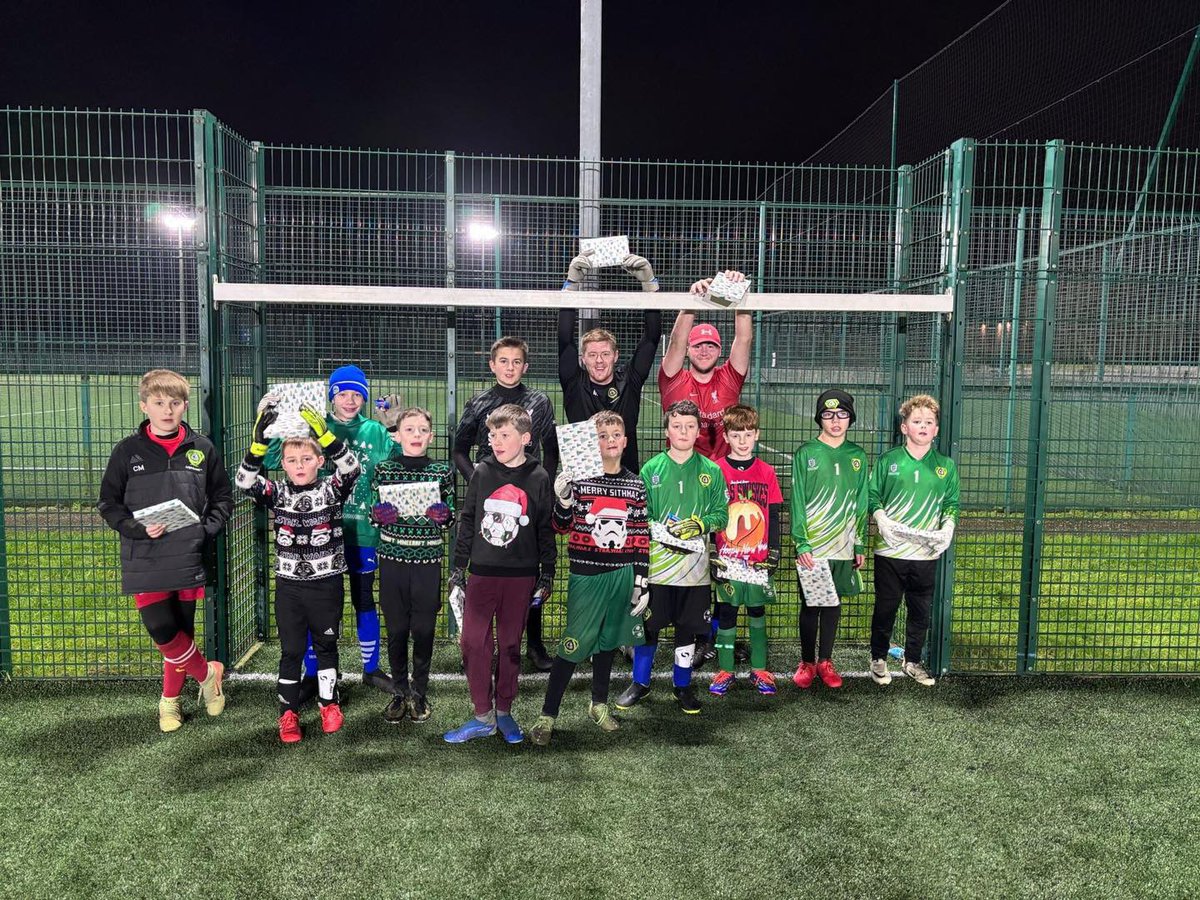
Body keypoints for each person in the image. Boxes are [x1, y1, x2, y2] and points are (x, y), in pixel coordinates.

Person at [98, 369, 233, 733]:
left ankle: (170, 703)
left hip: (188, 554)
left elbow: (222, 497)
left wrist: (206, 530)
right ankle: (208, 675)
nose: (167, 410)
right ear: (144, 406)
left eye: (174, 403)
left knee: (182, 631)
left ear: (185, 406)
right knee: (162, 630)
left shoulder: (202, 449)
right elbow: (108, 504)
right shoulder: (127, 452)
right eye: (158, 403)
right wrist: (136, 529)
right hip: (145, 555)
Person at [265, 364, 397, 696]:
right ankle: (314, 673)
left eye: (357, 394)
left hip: (362, 531)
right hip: (316, 538)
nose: (350, 401)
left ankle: (371, 668)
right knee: (319, 609)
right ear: (332, 396)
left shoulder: (373, 431)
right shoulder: (313, 425)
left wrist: (392, 427)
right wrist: (274, 420)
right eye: (343, 393)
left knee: (365, 600)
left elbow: (398, 463)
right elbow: (270, 460)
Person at [237, 397, 360, 743]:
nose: (300, 465)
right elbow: (245, 482)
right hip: (289, 587)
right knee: (291, 650)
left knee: (326, 646)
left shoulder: (331, 491)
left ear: (320, 461)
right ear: (284, 465)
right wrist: (259, 444)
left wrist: (326, 436)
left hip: (327, 585)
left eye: (307, 459)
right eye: (292, 460)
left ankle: (328, 703)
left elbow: (351, 470)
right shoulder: (276, 493)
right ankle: (287, 714)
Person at [530, 411, 650, 746]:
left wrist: (641, 580)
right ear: (591, 442)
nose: (610, 441)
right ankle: (547, 714)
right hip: (587, 574)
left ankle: (598, 704)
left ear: (625, 442)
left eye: (616, 435)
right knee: (573, 644)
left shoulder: (635, 484)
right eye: (603, 435)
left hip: (622, 573)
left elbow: (640, 535)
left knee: (609, 641)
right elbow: (560, 526)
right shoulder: (580, 480)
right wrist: (564, 500)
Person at [444, 404, 556, 745]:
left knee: (509, 646)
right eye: (492, 435)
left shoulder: (538, 478)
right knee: (473, 642)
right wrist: (458, 568)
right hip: (481, 574)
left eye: (503, 435)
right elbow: (467, 519)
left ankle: (504, 711)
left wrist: (547, 573)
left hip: (520, 577)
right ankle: (482, 714)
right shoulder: (482, 472)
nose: (495, 441)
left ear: (525, 438)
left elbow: (544, 529)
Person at [615, 400, 728, 715]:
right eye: (677, 426)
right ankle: (640, 683)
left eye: (690, 426)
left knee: (687, 631)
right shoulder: (652, 469)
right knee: (648, 630)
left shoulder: (711, 472)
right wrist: (657, 528)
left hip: (695, 573)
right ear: (667, 430)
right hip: (659, 570)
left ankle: (683, 685)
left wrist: (702, 525)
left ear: (698, 431)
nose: (683, 431)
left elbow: (722, 514)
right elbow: (641, 515)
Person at [453, 337, 559, 672]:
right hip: (492, 503)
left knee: (529, 567)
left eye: (516, 362)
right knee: (490, 569)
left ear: (525, 367)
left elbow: (551, 448)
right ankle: (480, 642)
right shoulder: (479, 402)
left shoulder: (539, 402)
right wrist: (478, 483)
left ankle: (536, 644)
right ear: (492, 364)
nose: (510, 367)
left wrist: (546, 485)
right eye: (503, 361)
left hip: (529, 496)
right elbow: (460, 450)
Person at [869, 394, 960, 687]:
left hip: (926, 554)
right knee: (886, 608)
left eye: (929, 422)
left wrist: (947, 529)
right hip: (891, 552)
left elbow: (951, 503)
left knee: (920, 611)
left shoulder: (946, 466)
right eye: (917, 421)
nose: (923, 426)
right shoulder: (889, 461)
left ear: (936, 430)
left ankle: (913, 660)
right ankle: (878, 658)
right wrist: (881, 518)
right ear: (904, 427)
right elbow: (873, 495)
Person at [371, 405, 455, 724]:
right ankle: (399, 691)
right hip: (392, 561)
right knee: (395, 630)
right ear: (398, 435)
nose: (416, 435)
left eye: (422, 430)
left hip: (427, 562)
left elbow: (448, 517)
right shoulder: (384, 470)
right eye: (410, 429)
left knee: (423, 630)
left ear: (430, 437)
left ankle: (419, 691)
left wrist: (444, 517)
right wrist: (378, 516)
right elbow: (374, 513)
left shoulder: (441, 472)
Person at [790, 390, 868, 690]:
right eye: (828, 414)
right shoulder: (806, 453)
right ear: (819, 418)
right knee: (812, 604)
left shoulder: (857, 456)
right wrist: (802, 543)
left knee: (833, 603)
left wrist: (859, 543)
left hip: (844, 545)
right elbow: (797, 501)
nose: (835, 421)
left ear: (850, 418)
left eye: (841, 414)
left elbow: (861, 502)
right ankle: (807, 662)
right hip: (813, 546)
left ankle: (825, 661)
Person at [559, 251, 662, 472]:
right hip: (584, 472)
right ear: (583, 358)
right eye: (592, 355)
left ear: (615, 356)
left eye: (605, 354)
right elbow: (565, 340)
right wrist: (571, 283)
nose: (599, 361)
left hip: (625, 475)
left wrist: (649, 284)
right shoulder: (574, 383)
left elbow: (652, 337)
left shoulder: (629, 380)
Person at [708, 405, 783, 697]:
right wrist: (713, 553)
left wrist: (774, 551)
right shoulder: (717, 471)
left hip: (758, 561)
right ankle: (725, 669)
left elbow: (774, 513)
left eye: (748, 434)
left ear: (757, 436)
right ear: (726, 436)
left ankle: (760, 668)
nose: (742, 441)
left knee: (757, 612)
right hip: (728, 561)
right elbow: (715, 515)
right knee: (726, 613)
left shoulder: (767, 471)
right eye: (736, 434)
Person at [657, 271, 753, 461]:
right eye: (698, 345)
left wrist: (739, 291)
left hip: (721, 471)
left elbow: (744, 339)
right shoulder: (673, 379)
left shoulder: (729, 378)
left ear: (719, 351)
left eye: (711, 346)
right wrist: (691, 303)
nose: (704, 351)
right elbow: (677, 341)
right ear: (687, 350)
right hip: (682, 468)